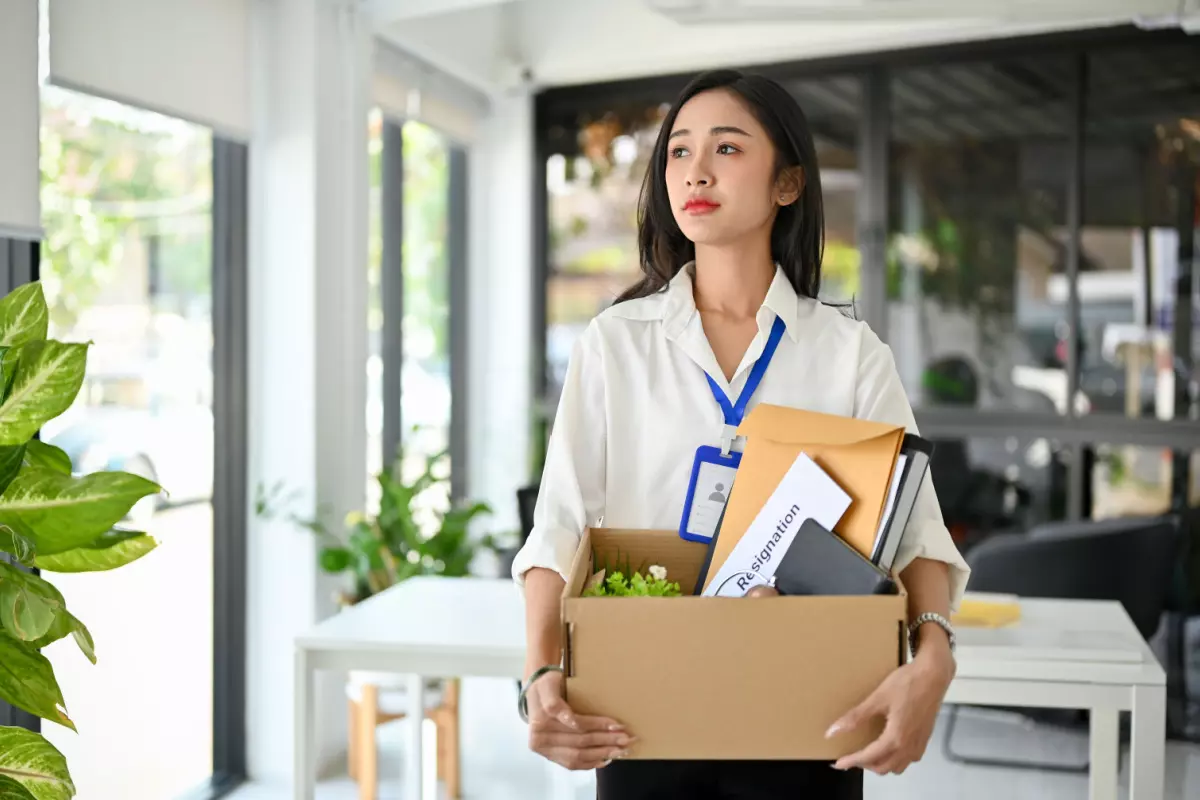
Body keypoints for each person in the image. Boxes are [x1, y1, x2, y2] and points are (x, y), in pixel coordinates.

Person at [510, 68, 970, 799]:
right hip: (646, 708)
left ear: (787, 184)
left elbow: (917, 536)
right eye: (678, 152)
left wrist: (935, 658)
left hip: (810, 711)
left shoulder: (848, 354)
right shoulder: (615, 345)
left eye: (726, 149)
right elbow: (559, 524)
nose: (694, 170)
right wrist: (541, 672)